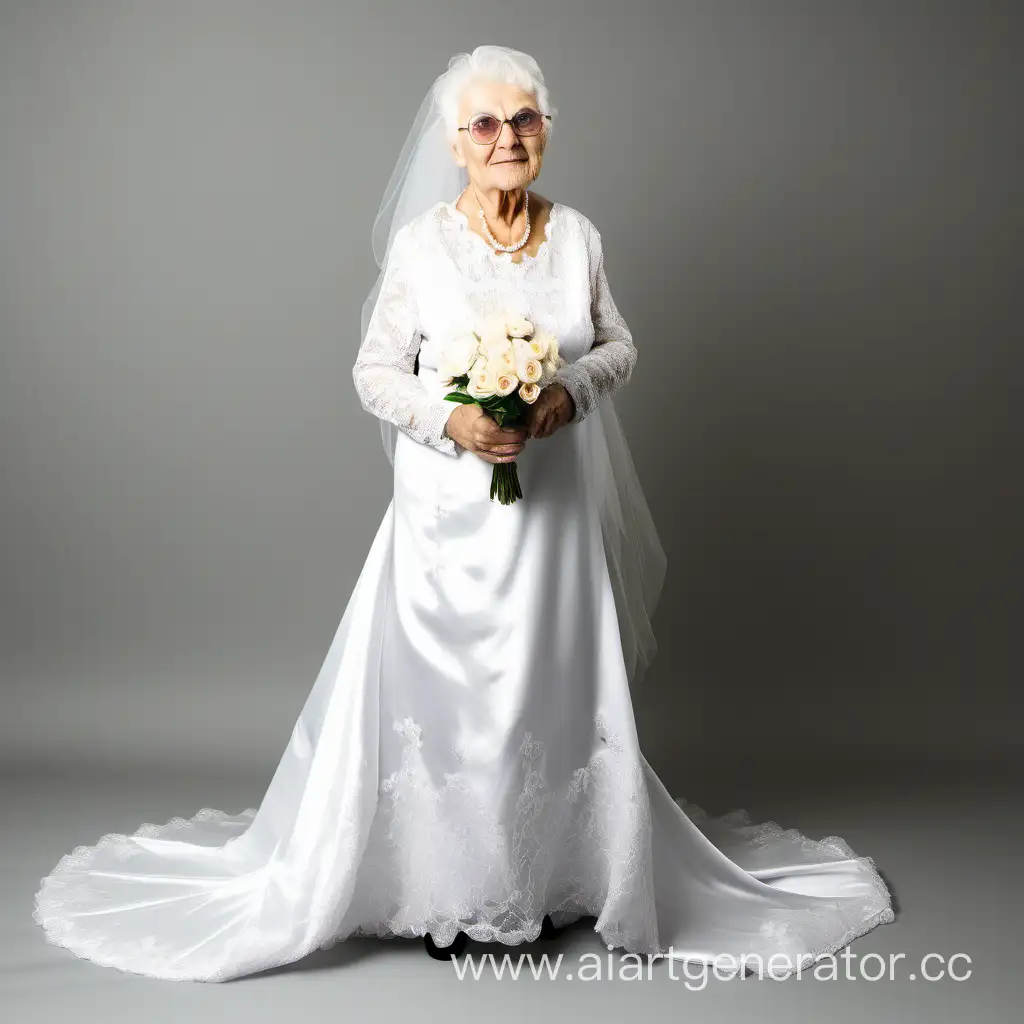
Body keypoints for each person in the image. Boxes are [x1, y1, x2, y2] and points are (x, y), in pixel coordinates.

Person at [32, 45, 895, 983]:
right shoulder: (422, 247)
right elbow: (372, 372)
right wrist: (452, 419)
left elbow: (619, 346)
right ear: (454, 143)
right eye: (485, 124)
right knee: (454, 696)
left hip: (551, 513)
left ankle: (557, 872)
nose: (507, 139)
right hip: (447, 517)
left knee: (546, 679)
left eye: (524, 120)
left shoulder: (579, 240)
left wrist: (564, 393)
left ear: (547, 131)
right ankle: (454, 890)